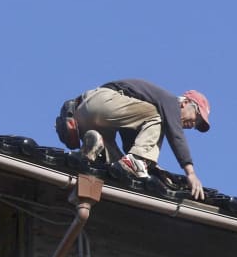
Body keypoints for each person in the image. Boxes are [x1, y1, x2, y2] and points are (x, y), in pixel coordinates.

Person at [56, 78, 210, 201]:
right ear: (185, 103)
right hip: (103, 101)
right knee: (159, 116)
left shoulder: (139, 110)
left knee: (117, 164)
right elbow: (176, 135)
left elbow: (131, 144)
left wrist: (154, 169)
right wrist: (190, 173)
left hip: (86, 114)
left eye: (197, 126)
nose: (193, 126)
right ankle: (136, 161)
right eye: (196, 118)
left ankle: (96, 144)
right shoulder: (170, 102)